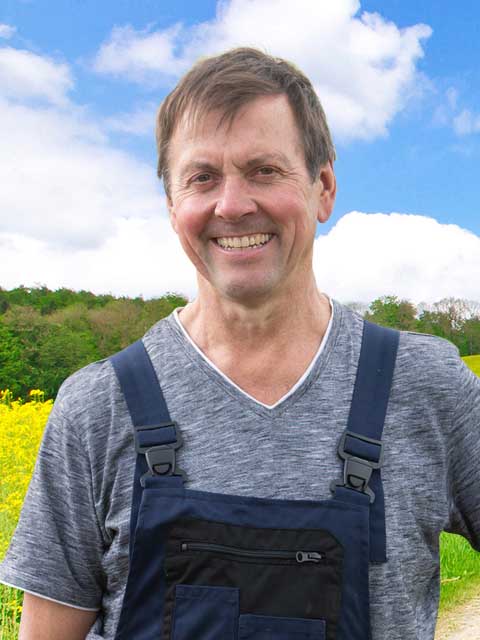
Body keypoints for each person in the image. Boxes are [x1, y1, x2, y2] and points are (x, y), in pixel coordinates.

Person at [0, 47, 479, 640]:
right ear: (172, 205)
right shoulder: (97, 408)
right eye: (202, 178)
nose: (232, 205)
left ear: (324, 187)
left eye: (264, 170)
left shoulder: (426, 386)